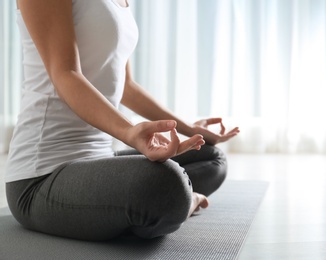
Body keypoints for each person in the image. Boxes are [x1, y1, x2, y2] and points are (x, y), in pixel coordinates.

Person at [5, 0, 239, 241]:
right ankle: (177, 201)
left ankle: (150, 208)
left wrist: (188, 129)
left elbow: (126, 87)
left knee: (211, 157)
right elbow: (66, 73)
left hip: (100, 159)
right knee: (168, 183)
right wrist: (129, 132)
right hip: (42, 177)